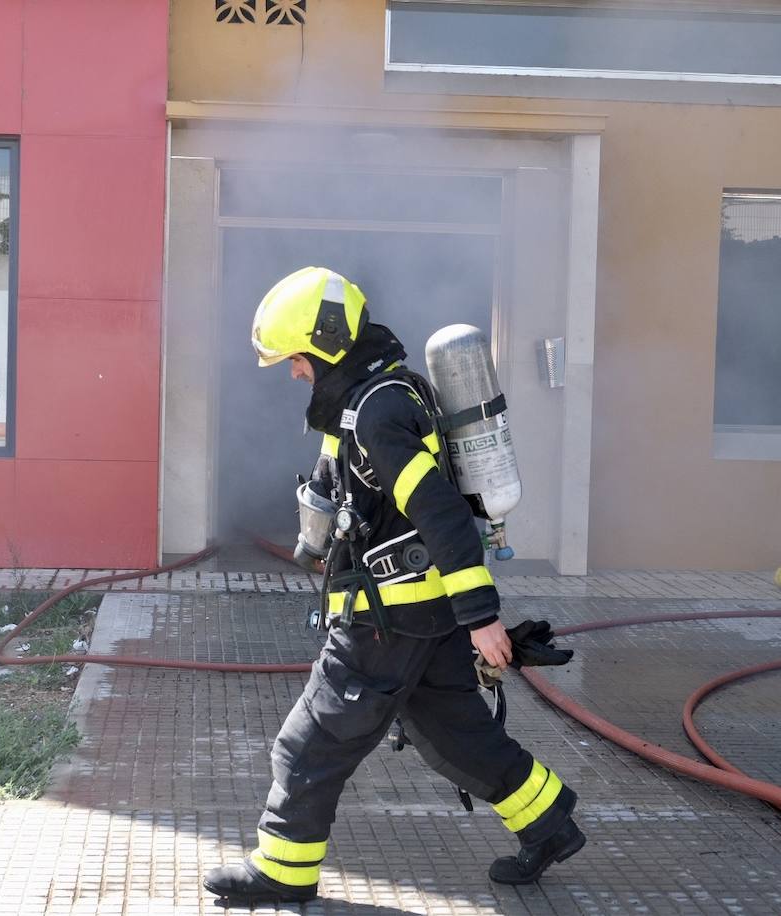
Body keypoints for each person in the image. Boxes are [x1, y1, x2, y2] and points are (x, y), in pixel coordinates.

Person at [203, 267, 584, 905]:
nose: (293, 373)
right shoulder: (384, 394)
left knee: (310, 743)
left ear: (325, 348)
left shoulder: (375, 414)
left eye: (296, 359)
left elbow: (440, 513)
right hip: (421, 616)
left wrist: (482, 617)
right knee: (455, 735)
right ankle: (549, 824)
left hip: (385, 622)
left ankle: (283, 872)